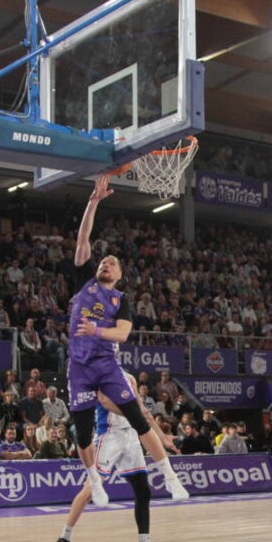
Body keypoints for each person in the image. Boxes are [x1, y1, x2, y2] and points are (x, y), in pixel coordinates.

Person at [65, 174, 188, 506]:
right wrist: (94, 201)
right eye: (104, 261)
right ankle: (96, 482)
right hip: (79, 366)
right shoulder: (83, 284)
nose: (106, 264)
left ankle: (172, 479)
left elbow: (122, 334)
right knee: (82, 431)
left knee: (136, 416)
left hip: (106, 364)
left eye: (113, 264)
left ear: (119, 275)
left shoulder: (121, 299)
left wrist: (95, 331)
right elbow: (82, 239)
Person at [51, 374, 172, 542]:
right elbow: (106, 403)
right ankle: (64, 539)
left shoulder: (129, 378)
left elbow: (142, 410)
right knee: (89, 490)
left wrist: (161, 435)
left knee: (143, 490)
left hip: (131, 436)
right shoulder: (98, 376)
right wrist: (134, 414)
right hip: (108, 436)